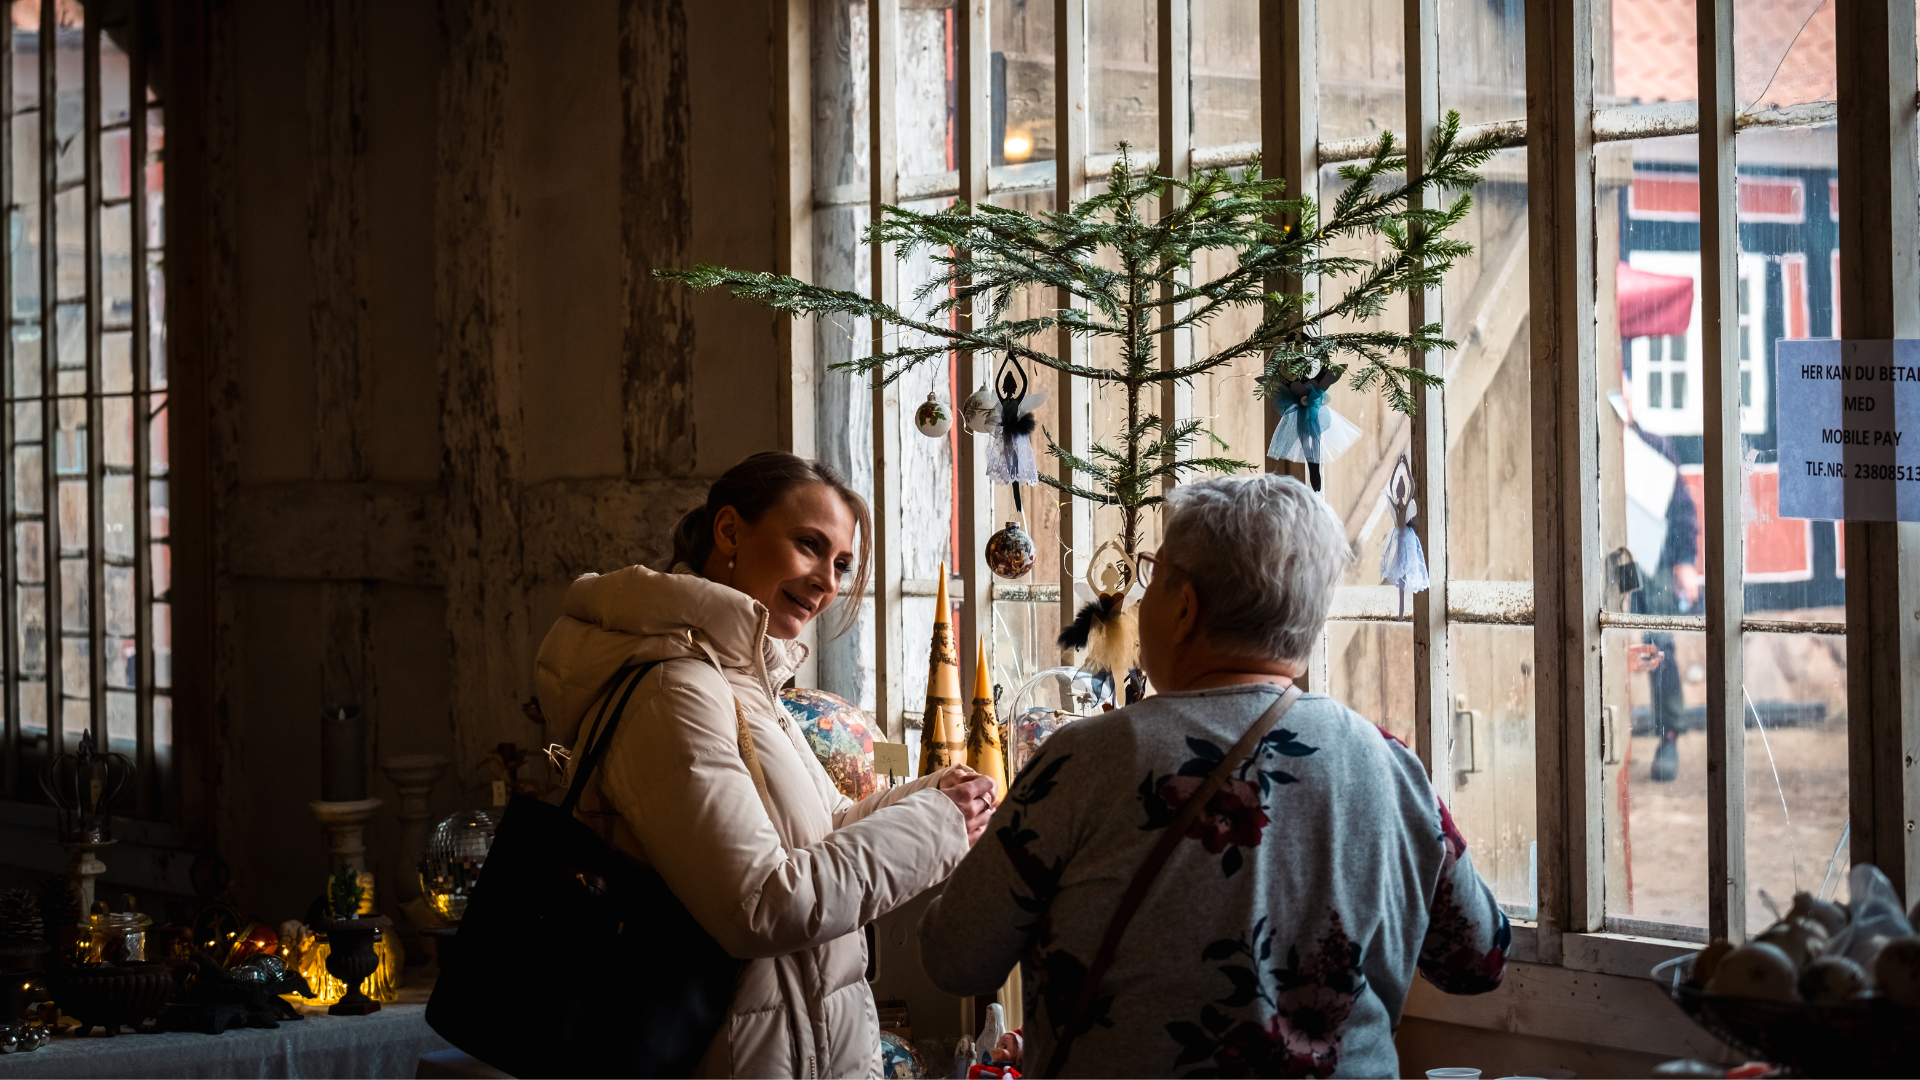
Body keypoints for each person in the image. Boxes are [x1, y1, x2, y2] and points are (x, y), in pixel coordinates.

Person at [918, 473, 1509, 1078]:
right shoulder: (1388, 766)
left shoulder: (1085, 760)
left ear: (1184, 607)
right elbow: (1479, 961)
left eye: (1153, 574)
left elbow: (954, 956)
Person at [534, 451, 998, 1078]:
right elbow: (759, 904)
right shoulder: (675, 688)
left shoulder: (747, 683)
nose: (828, 583)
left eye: (840, 565)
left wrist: (931, 793)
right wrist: (937, 826)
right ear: (729, 531)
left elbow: (825, 825)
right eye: (809, 545)